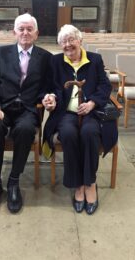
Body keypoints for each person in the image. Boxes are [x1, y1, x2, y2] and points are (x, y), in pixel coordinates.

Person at [0, 13, 52, 217]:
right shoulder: (1, 53)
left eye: (30, 29)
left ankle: (13, 181)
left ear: (36, 34)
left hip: (27, 109)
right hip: (1, 106)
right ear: (14, 32)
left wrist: (47, 96)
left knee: (26, 129)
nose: (25, 32)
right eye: (21, 29)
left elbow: (45, 86)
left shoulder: (45, 57)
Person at [42, 24, 118, 215]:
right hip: (66, 112)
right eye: (63, 42)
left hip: (91, 113)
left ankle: (90, 183)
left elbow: (104, 86)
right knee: (67, 133)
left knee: (89, 132)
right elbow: (49, 86)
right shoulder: (56, 61)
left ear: (80, 40)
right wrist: (51, 98)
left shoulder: (95, 59)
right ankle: (77, 185)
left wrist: (92, 103)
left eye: (71, 40)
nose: (68, 45)